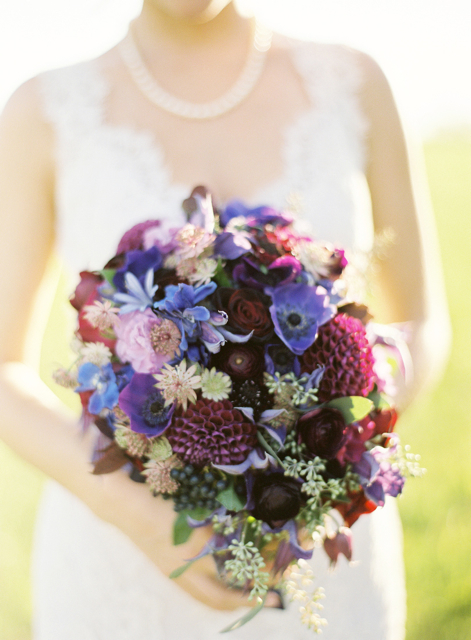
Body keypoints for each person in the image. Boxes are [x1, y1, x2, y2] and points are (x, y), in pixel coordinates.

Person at [0, 0, 450, 638]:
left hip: (318, 545)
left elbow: (424, 324)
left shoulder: (354, 84)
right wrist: (138, 517)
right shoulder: (43, 111)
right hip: (121, 560)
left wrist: (330, 441)